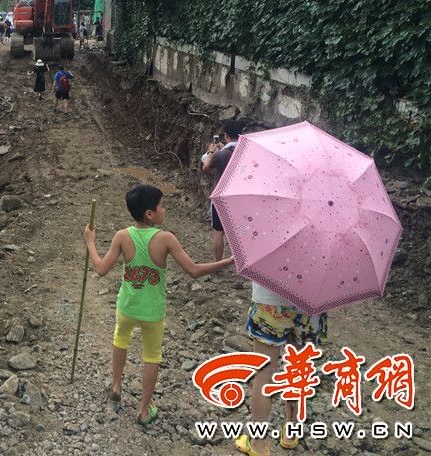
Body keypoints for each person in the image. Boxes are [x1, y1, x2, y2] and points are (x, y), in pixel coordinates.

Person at [83, 184, 234, 425]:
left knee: (120, 340)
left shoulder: (122, 236)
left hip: (127, 306)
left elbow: (101, 269)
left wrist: (90, 241)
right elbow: (194, 271)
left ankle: (116, 385)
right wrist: (230, 260)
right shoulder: (165, 239)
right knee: (151, 355)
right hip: (152, 311)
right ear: (149, 213)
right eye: (162, 205)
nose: (165, 209)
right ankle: (144, 408)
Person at [235, 287, 327, 456]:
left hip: (269, 302)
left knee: (264, 374)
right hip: (310, 307)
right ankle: (291, 432)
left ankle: (258, 444)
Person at [201, 119, 246, 262]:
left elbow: (206, 166)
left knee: (218, 231)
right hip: (241, 196)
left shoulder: (221, 154)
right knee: (239, 232)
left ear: (226, 135)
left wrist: (211, 151)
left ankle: (219, 263)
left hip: (221, 196)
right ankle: (241, 262)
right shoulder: (246, 151)